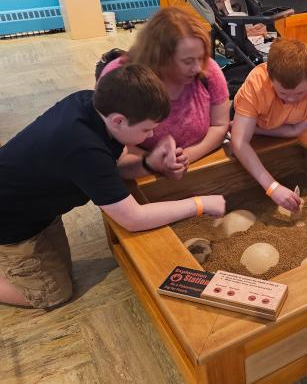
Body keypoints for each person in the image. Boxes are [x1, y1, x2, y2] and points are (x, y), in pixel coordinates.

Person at [0, 64, 226, 309]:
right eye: (146, 129)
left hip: (37, 209)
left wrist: (151, 164)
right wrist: (199, 204)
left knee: (62, 269)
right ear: (119, 120)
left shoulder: (91, 104)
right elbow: (133, 219)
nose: (151, 136)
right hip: (11, 222)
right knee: (53, 294)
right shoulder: (83, 149)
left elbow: (115, 166)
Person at [100, 6, 230, 179]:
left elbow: (220, 126)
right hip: (139, 171)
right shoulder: (119, 78)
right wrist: (155, 162)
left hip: (200, 165)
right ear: (160, 57)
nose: (198, 67)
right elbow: (113, 144)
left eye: (201, 57)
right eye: (187, 61)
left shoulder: (209, 71)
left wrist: (185, 157)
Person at [231, 39, 307, 212]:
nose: (292, 99)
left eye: (300, 92)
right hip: (252, 119)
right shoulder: (256, 84)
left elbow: (295, 131)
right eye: (283, 93)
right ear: (270, 79)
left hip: (266, 127)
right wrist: (272, 187)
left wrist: (257, 130)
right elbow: (239, 143)